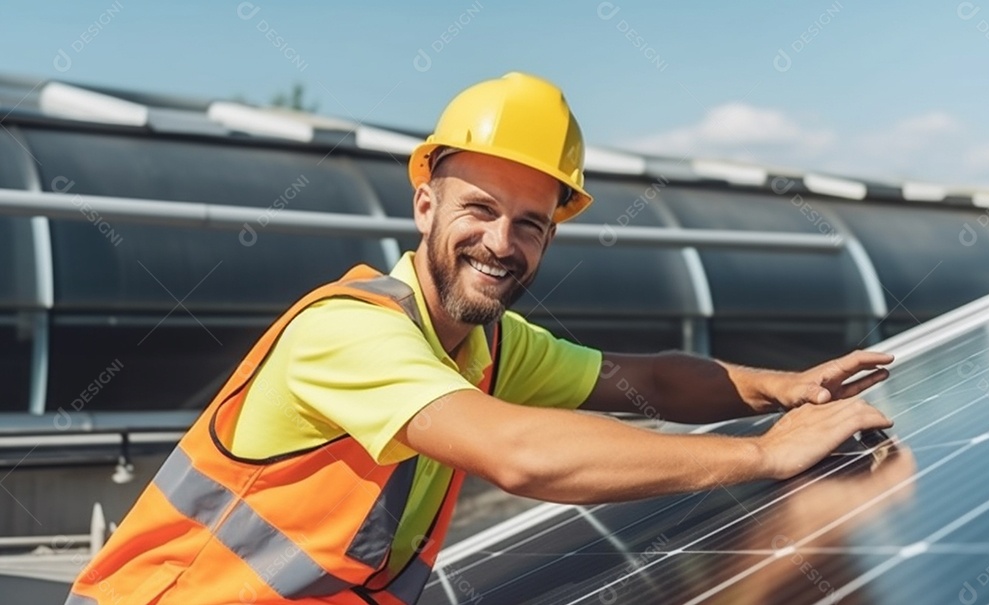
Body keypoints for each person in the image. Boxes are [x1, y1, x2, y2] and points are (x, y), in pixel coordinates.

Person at [65, 72, 893, 605]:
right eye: (480, 209)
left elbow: (651, 381)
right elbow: (523, 456)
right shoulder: (349, 332)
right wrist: (761, 455)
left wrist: (786, 387)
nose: (502, 242)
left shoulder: (488, 344)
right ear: (425, 204)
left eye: (530, 223)